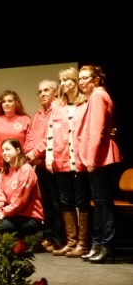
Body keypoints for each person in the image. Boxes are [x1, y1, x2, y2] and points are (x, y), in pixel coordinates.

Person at [77, 65, 122, 263]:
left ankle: (106, 245)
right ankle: (97, 244)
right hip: (99, 155)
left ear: (96, 80)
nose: (81, 82)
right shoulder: (97, 96)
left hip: (101, 157)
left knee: (103, 204)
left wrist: (91, 159)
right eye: (80, 78)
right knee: (99, 203)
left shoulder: (97, 96)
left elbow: (96, 130)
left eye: (86, 78)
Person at [45, 67, 91, 258]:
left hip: (80, 161)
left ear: (75, 81)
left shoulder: (86, 104)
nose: (64, 84)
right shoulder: (56, 106)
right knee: (65, 201)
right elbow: (50, 133)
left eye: (67, 80)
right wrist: (49, 157)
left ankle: (83, 244)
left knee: (81, 201)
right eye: (61, 81)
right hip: (62, 159)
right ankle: (71, 243)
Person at [25, 80, 64, 252]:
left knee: (57, 202)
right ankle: (48, 235)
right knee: (46, 202)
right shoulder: (38, 114)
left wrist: (36, 153)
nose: (42, 94)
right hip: (39, 163)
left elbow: (52, 136)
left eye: (46, 90)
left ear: (55, 92)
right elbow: (29, 137)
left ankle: (59, 238)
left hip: (53, 163)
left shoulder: (58, 110)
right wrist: (31, 154)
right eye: (39, 91)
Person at [0, 138, 44, 238]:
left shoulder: (26, 170)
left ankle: (14, 241)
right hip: (11, 213)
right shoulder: (4, 171)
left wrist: (3, 212)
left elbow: (20, 202)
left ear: (18, 151)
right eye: (3, 150)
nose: (4, 153)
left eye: (8, 149)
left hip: (29, 218)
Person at [0, 90, 31, 172]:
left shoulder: (25, 120)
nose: (6, 104)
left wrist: (25, 159)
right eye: (4, 102)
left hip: (20, 165)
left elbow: (29, 142)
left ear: (16, 103)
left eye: (10, 101)